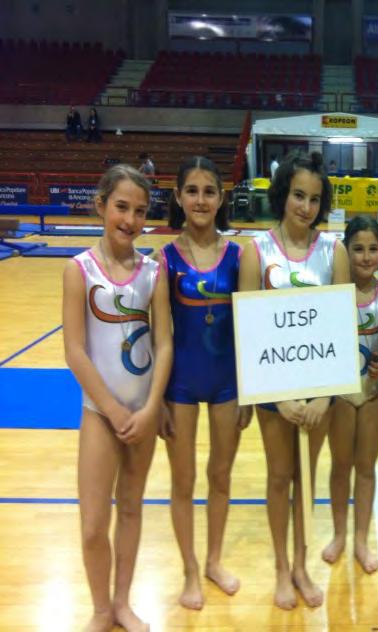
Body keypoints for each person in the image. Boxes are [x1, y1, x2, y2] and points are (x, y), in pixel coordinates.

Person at [63, 165, 172, 632]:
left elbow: (165, 343)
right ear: (102, 205)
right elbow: (74, 350)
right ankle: (100, 609)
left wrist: (150, 408)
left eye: (140, 211)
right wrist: (111, 408)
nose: (130, 219)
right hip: (101, 413)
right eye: (122, 207)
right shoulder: (79, 270)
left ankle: (123, 602)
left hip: (143, 413)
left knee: (130, 508)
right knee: (92, 524)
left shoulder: (153, 270)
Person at [239, 151, 350, 609]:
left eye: (314, 199)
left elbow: (342, 327)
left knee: (306, 479)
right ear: (283, 195)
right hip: (273, 395)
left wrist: (325, 395)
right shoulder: (256, 250)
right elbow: (247, 329)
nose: (305, 206)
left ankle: (302, 565)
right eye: (298, 196)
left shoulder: (334, 250)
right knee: (280, 476)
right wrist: (272, 397)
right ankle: (281, 569)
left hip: (320, 394)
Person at [161, 156, 251, 610]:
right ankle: (190, 570)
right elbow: (161, 336)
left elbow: (252, 328)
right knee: (183, 480)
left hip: (225, 383)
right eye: (191, 190)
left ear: (222, 198)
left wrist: (250, 388)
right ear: (178, 197)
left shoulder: (240, 255)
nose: (200, 199)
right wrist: (156, 397)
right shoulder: (163, 259)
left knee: (220, 474)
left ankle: (214, 560)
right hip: (179, 383)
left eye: (209, 191)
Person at [322, 216, 378, 574]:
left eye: (373, 249)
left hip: (375, 393)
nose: (366, 257)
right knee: (340, 466)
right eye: (358, 249)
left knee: (365, 468)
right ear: (345, 252)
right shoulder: (335, 291)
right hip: (342, 395)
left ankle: (361, 540)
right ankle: (339, 534)